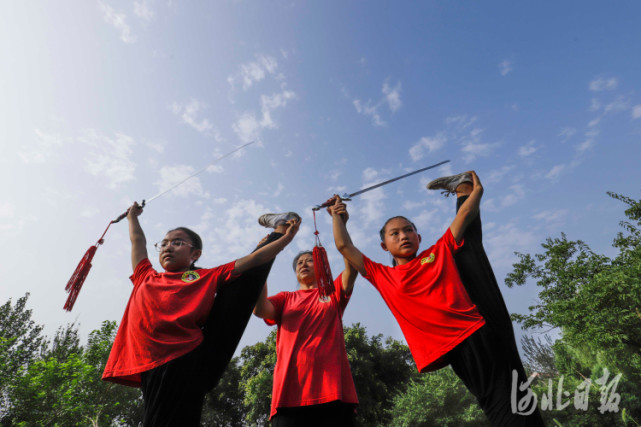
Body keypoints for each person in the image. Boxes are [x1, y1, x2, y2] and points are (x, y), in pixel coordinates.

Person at [329, 171, 544, 426]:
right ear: (384, 246)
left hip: (476, 332)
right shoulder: (381, 275)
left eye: (409, 230)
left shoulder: (439, 251)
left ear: (419, 237)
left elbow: (464, 218)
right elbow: (344, 247)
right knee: (498, 402)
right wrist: (337, 217)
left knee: (504, 403)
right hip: (452, 350)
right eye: (394, 233)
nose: (404, 235)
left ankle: (462, 188)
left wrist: (475, 193)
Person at [102, 202, 300, 426]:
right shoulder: (144, 275)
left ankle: (280, 228)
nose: (168, 247)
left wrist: (285, 239)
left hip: (185, 358)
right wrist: (132, 217)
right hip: (151, 364)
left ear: (195, 254)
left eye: (177, 243)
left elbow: (253, 261)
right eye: (164, 243)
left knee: (166, 420)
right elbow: (138, 240)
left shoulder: (207, 276)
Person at [253, 200, 359, 427]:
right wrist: (263, 255)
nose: (303, 264)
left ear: (320, 264)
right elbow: (260, 309)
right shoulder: (285, 298)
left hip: (334, 392)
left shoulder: (332, 292)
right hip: (289, 395)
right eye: (299, 262)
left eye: (309, 260)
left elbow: (352, 265)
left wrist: (339, 221)